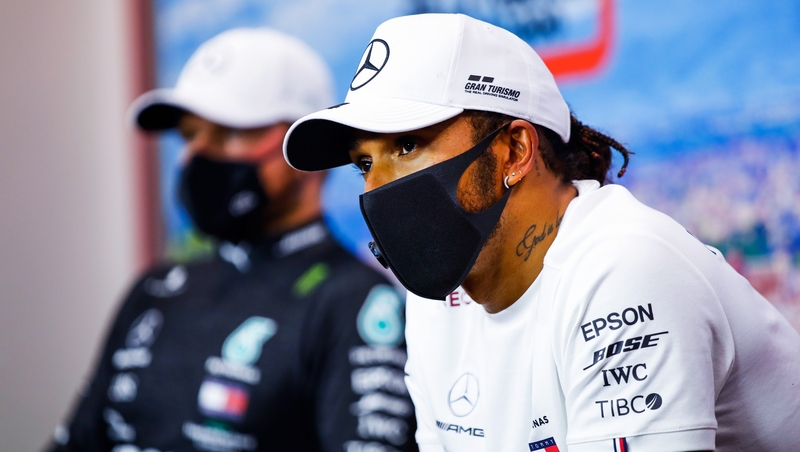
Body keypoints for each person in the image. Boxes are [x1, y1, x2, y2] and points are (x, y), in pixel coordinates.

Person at [282, 13, 800, 452]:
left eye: (408, 146)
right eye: (364, 163)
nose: (377, 187)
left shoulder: (625, 268)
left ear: (514, 151)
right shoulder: (435, 302)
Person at [48, 28, 416, 452]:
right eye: (189, 136)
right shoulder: (156, 289)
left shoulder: (353, 302)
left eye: (229, 134)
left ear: (303, 144)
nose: (196, 157)